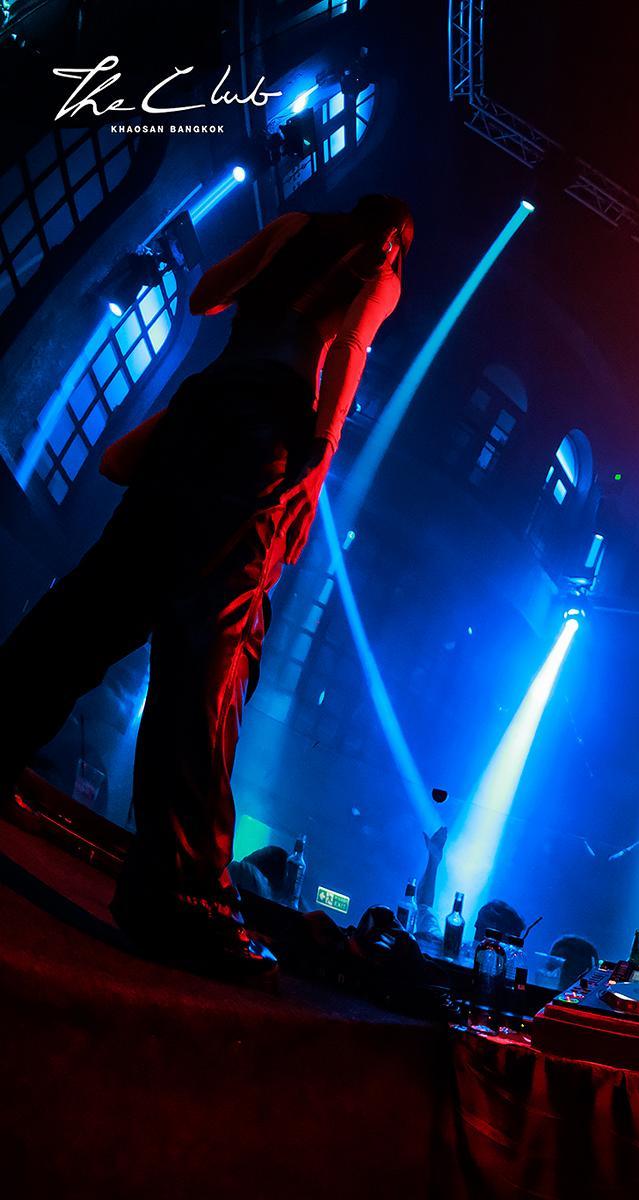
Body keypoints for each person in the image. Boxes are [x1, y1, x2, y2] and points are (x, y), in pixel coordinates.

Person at [0, 195, 412, 980]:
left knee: (101, 598)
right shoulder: (381, 268)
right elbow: (348, 360)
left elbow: (205, 295)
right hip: (264, 435)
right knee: (211, 646)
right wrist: (311, 471)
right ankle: (181, 892)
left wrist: (277, 280)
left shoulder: (296, 226)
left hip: (203, 409)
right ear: (395, 237)